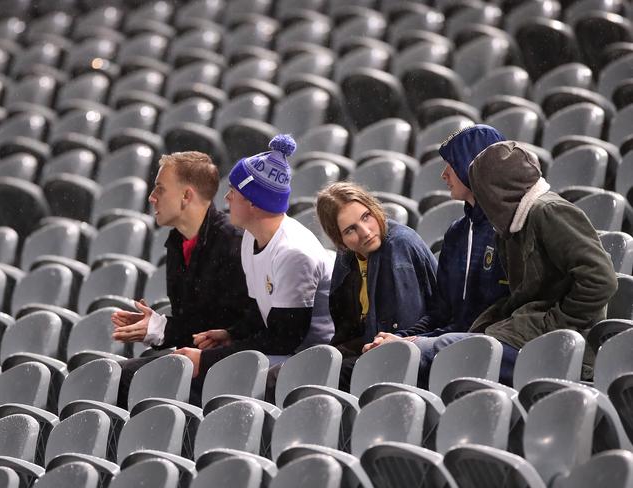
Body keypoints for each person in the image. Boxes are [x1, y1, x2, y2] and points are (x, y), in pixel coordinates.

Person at [384, 139, 618, 386]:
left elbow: (601, 280)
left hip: (562, 347)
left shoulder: (548, 211)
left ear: (496, 190)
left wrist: (553, 323)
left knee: (435, 353)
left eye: (481, 188)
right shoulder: (513, 224)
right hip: (525, 335)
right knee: (418, 352)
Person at [174, 134, 335, 404]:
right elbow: (259, 311)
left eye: (233, 193)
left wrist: (209, 359)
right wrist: (231, 334)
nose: (225, 199)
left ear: (252, 202)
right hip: (284, 348)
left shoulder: (293, 253)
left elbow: (284, 339)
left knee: (197, 377)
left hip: (308, 358)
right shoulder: (252, 236)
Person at [362, 125, 511, 383]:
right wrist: (403, 337)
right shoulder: (456, 234)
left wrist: (415, 343)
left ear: (470, 165)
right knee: (384, 351)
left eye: (450, 165)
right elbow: (440, 314)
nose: (443, 175)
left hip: (495, 344)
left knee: (397, 358)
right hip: (450, 341)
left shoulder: (509, 230)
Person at [111, 151, 257, 405]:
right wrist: (156, 327)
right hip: (200, 360)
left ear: (186, 196)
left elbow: (234, 327)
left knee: (126, 379)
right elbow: (195, 325)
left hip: (232, 367)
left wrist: (162, 329)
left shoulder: (233, 242)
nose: (152, 198)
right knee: (113, 375)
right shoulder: (178, 243)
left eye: (160, 189)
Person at [316, 182, 439, 390]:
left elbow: (409, 328)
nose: (365, 232)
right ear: (340, 240)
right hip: (371, 346)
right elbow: (348, 329)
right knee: (311, 367)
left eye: (366, 217)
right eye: (350, 230)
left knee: (324, 378)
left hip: (408, 352)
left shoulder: (399, 247)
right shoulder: (347, 256)